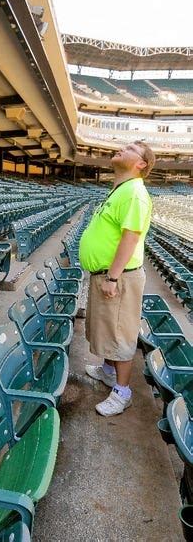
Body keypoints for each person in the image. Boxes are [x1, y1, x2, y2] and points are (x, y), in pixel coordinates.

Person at [79, 141, 156, 417]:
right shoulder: (120, 189)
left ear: (141, 163)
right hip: (110, 275)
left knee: (120, 334)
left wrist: (112, 277)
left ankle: (122, 393)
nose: (122, 148)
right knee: (108, 330)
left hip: (119, 277)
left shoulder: (135, 192)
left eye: (131, 148)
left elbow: (131, 236)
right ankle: (109, 372)